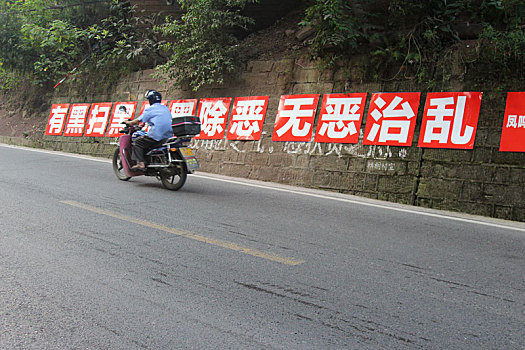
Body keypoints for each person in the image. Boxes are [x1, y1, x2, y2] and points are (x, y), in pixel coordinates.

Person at [124, 90, 173, 171]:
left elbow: (137, 121)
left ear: (150, 100)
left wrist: (128, 122)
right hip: (168, 136)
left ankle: (140, 163)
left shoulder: (150, 109)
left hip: (156, 135)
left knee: (137, 143)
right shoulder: (165, 108)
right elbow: (158, 119)